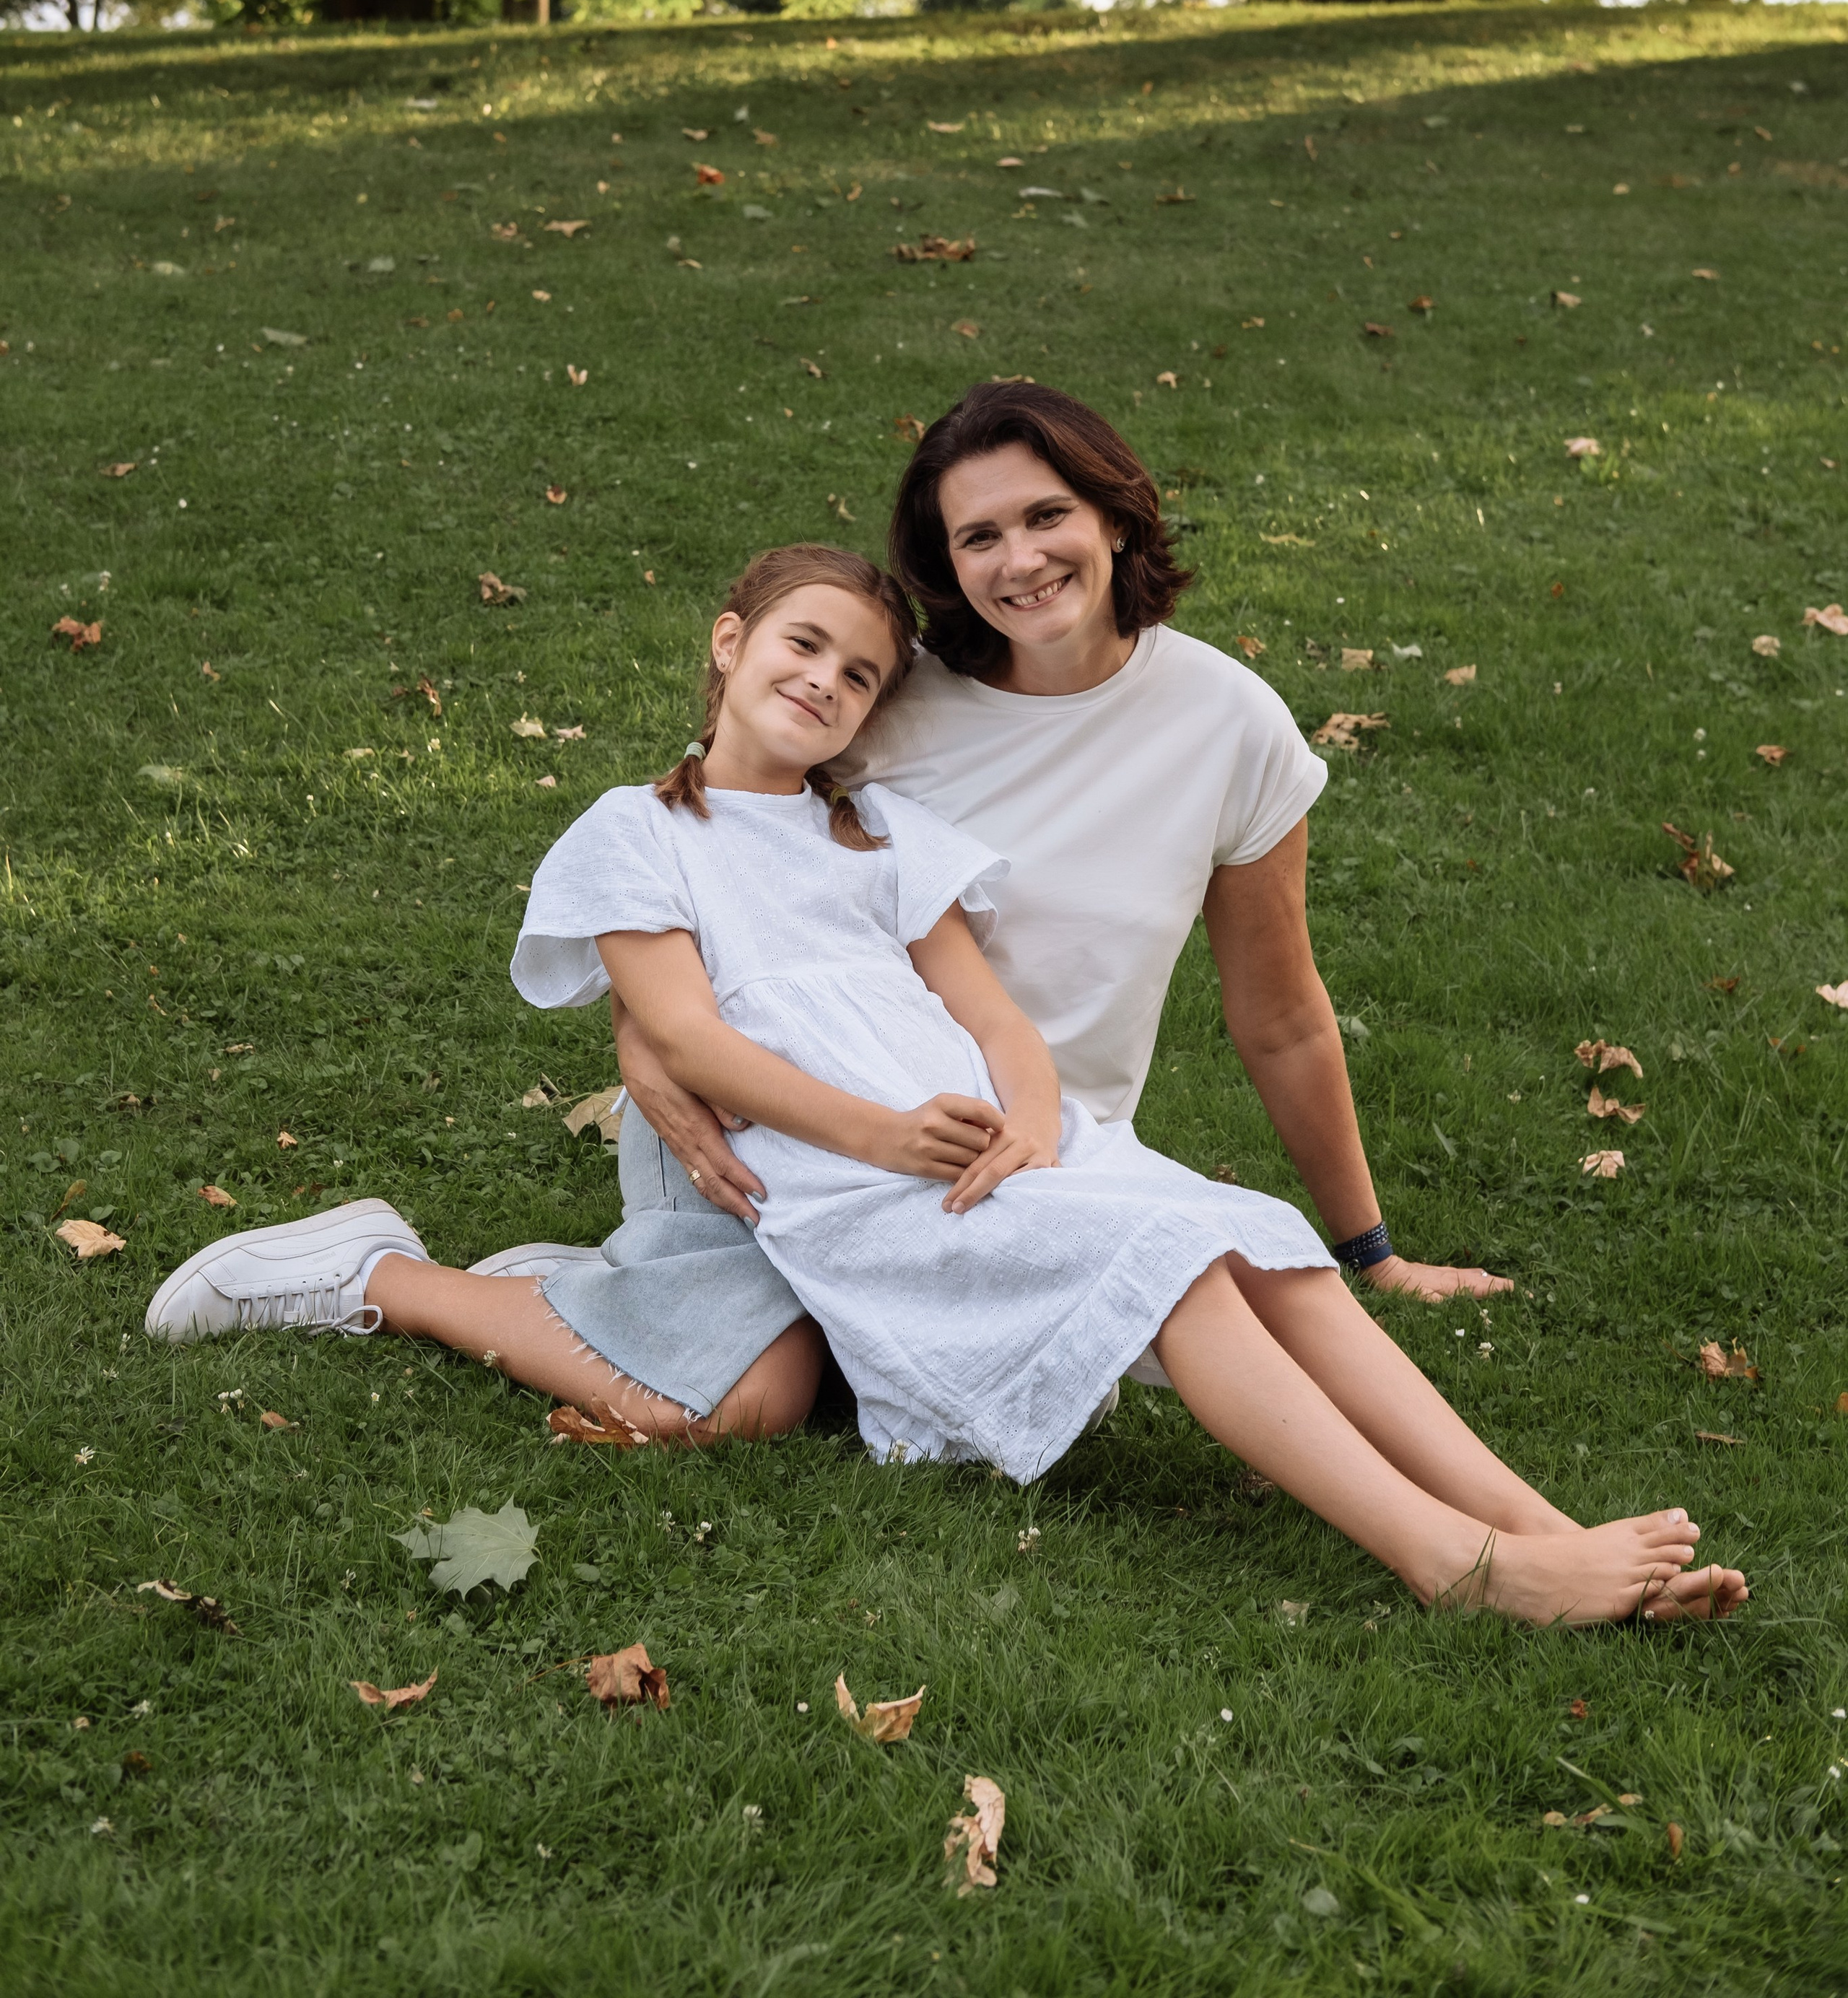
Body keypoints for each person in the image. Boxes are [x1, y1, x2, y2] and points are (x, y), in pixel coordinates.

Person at [142, 544, 1744, 1626]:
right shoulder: (639, 833)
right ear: (725, 646)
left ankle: (1527, 1526)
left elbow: (991, 1017)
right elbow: (685, 1046)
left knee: (1252, 1242)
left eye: (856, 674)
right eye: (800, 650)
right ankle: (1445, 1564)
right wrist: (879, 1133)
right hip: (815, 1172)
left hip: (969, 1154)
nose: (827, 685)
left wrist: (1038, 1121)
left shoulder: (881, 834)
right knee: (1061, 1301)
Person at [597, 381, 1508, 1431]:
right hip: (826, 1143)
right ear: (948, 564)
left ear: (1115, 517)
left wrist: (1373, 1254)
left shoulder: (1230, 725)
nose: (1019, 562)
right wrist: (645, 1041)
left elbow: (1284, 1015)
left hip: (1051, 1146)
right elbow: (704, 843)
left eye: (1046, 516)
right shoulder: (887, 707)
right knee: (759, 1391)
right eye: (978, 536)